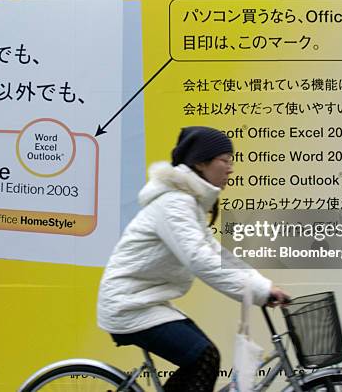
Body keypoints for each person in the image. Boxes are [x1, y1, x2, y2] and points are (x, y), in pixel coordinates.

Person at [97, 126, 288, 392]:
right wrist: (258, 290)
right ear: (200, 163)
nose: (230, 169)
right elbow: (200, 260)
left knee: (203, 356)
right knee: (204, 357)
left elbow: (217, 255)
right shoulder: (174, 203)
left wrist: (262, 286)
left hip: (144, 300)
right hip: (127, 305)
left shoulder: (189, 204)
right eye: (225, 161)